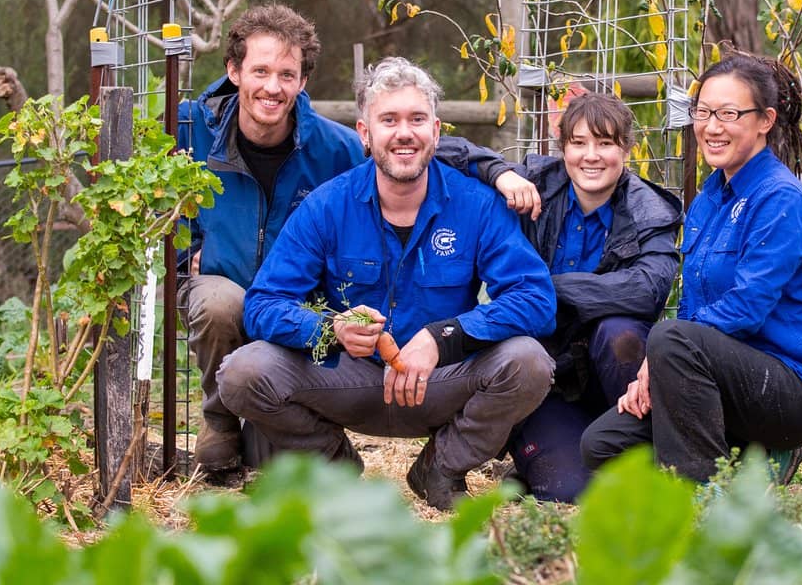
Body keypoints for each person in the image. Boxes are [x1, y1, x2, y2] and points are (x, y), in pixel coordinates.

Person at [215, 56, 557, 510]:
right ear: (364, 133)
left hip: (440, 382)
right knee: (242, 372)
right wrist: (328, 330)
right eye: (389, 119)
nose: (404, 133)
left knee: (529, 362)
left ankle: (441, 469)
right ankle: (336, 471)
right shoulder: (327, 206)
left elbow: (536, 298)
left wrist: (445, 336)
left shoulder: (476, 205)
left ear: (436, 131)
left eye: (417, 119)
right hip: (346, 381)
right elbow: (263, 304)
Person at [580, 52, 802, 485]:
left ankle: (701, 496)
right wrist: (658, 367)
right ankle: (751, 461)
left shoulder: (781, 197)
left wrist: (664, 351)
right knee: (603, 444)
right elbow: (693, 308)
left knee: (669, 337)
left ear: (765, 120)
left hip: (793, 389)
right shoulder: (709, 197)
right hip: (722, 382)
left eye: (728, 113)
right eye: (702, 112)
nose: (711, 126)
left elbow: (746, 307)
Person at [439, 91, 682, 502]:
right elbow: (438, 148)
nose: (592, 156)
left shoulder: (649, 211)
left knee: (618, 330)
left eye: (605, 143)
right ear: (563, 146)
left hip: (616, 379)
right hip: (548, 379)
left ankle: (657, 455)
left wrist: (542, 290)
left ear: (626, 149)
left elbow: (647, 289)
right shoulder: (534, 186)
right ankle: (553, 461)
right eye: (579, 143)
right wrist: (497, 172)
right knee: (571, 493)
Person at [177, 4, 364, 475]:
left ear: (302, 81)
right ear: (234, 71)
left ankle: (288, 426)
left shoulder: (336, 149)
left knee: (269, 467)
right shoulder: (187, 129)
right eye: (260, 70)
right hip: (220, 286)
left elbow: (365, 217)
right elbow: (149, 198)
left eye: (287, 74)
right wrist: (187, 250)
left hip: (296, 307)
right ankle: (219, 419)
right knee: (222, 305)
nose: (272, 87)